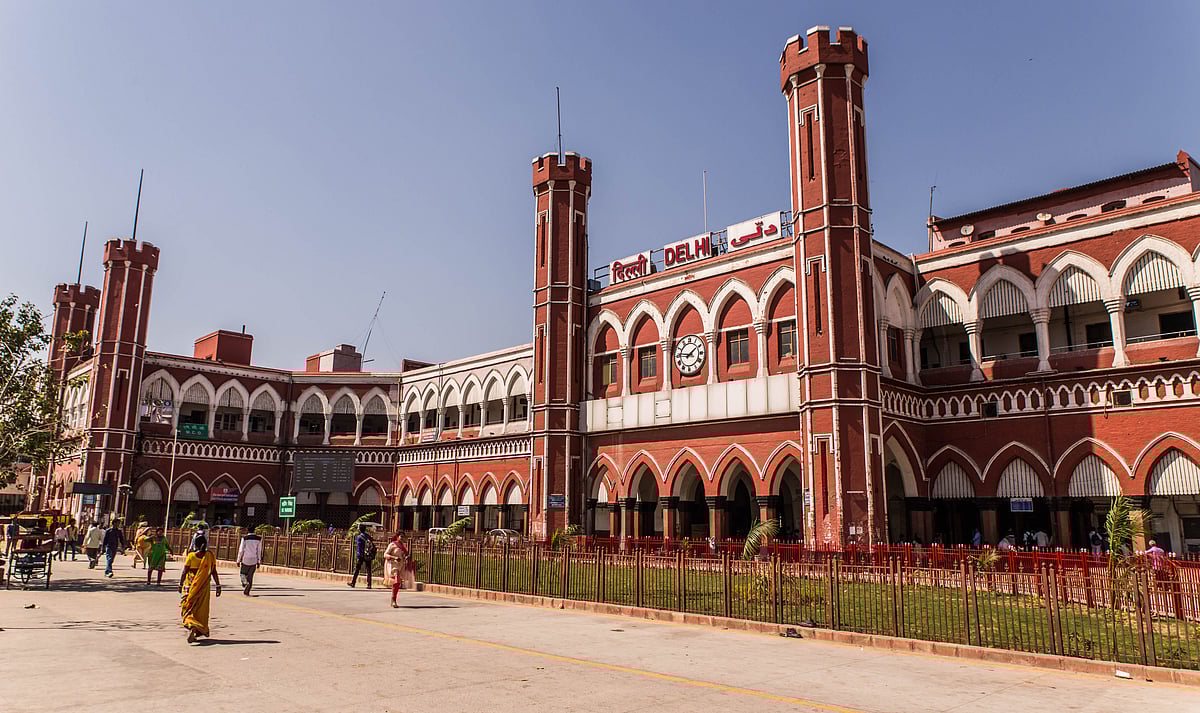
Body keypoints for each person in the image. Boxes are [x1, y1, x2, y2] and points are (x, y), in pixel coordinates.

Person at [178, 535, 221, 643]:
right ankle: (199, 628)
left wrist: (180, 584)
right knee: (201, 609)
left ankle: (192, 625)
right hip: (203, 587)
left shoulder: (191, 556)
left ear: (195, 544)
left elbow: (185, 571)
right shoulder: (210, 556)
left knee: (187, 607)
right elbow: (213, 571)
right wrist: (218, 585)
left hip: (189, 587)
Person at [383, 534, 410, 608]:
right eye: (401, 536)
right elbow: (385, 554)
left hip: (400, 566)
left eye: (404, 537)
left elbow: (404, 555)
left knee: (397, 583)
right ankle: (393, 600)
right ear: (398, 537)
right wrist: (394, 557)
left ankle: (394, 598)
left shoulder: (403, 546)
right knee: (396, 581)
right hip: (393, 566)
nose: (403, 538)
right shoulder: (392, 545)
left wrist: (406, 557)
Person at [347, 524, 376, 589]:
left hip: (361, 555)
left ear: (359, 529)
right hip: (368, 554)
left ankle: (353, 582)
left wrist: (359, 555)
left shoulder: (359, 537)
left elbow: (359, 547)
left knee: (357, 569)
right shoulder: (368, 536)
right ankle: (369, 584)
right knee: (368, 569)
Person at [235, 530, 263, 596]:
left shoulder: (244, 538)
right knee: (250, 576)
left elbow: (241, 550)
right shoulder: (258, 539)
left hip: (245, 559)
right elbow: (259, 551)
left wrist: (238, 560)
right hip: (254, 559)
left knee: (243, 574)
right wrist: (259, 561)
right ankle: (247, 591)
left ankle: (245, 583)